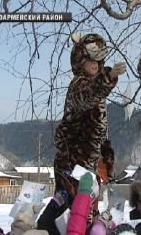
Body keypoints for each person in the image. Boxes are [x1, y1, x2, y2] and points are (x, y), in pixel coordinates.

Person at [37, 32, 126, 235]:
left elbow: (98, 134)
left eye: (98, 60)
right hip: (73, 164)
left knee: (87, 217)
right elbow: (88, 95)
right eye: (90, 60)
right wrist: (108, 78)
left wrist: (106, 162)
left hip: (88, 168)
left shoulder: (96, 90)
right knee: (72, 218)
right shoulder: (79, 84)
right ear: (80, 61)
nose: (95, 64)